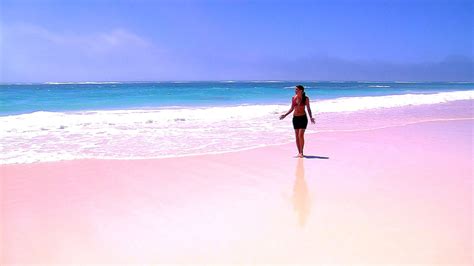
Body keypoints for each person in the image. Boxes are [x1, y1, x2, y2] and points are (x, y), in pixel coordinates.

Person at [279, 85, 315, 158]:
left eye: (296, 89)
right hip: (295, 118)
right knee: (296, 136)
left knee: (300, 135)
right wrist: (285, 115)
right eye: (295, 89)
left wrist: (311, 117)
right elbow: (292, 108)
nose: (295, 91)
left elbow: (308, 108)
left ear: (301, 91)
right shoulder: (293, 98)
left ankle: (301, 152)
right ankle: (299, 152)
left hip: (303, 118)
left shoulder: (306, 98)